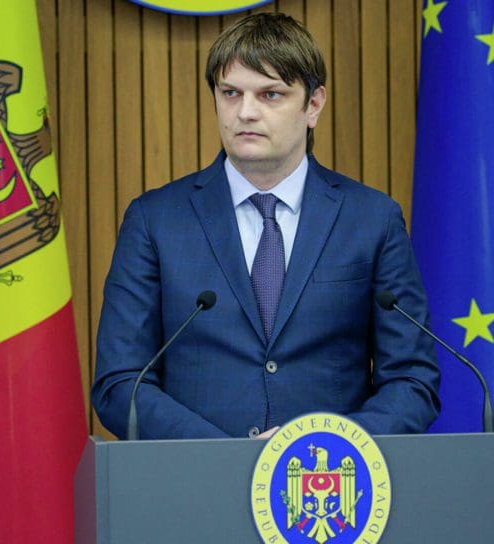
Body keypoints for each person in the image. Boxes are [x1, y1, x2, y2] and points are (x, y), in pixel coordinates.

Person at [92, 12, 440, 440]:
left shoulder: (372, 220)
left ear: (313, 105)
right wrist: (229, 458)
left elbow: (412, 380)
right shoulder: (155, 221)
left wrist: (322, 449)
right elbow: (120, 382)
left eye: (270, 94)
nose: (245, 112)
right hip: (197, 477)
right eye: (231, 93)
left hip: (329, 476)